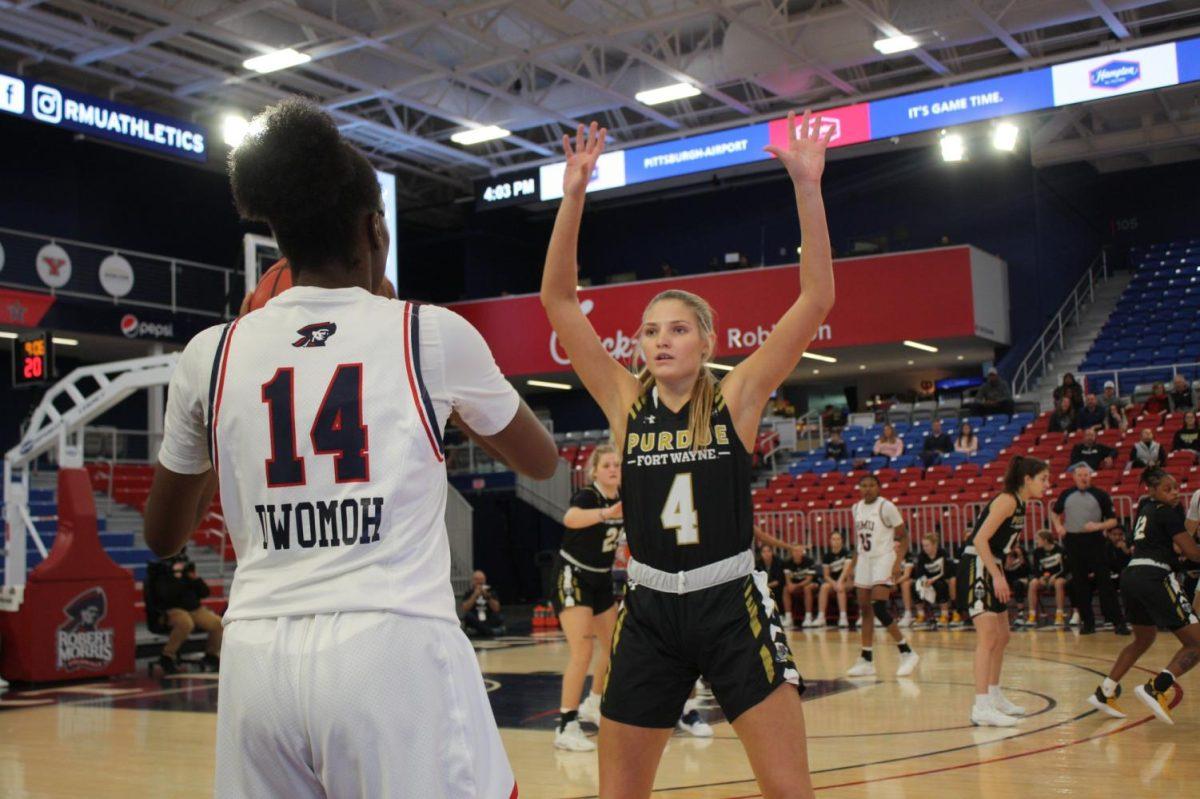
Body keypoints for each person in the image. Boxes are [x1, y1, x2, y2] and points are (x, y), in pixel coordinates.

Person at [142, 99, 558, 798]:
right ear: (374, 228)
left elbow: (162, 533)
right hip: (391, 646)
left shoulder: (210, 354)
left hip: (257, 657)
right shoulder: (427, 332)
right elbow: (541, 459)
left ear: (281, 244)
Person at [540, 112, 834, 798]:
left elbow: (817, 296)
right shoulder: (623, 401)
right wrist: (575, 195)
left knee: (791, 790)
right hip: (648, 610)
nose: (659, 339)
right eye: (648, 331)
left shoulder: (737, 398)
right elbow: (558, 298)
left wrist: (807, 187)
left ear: (706, 339)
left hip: (730, 601)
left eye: (676, 328)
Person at [1086, 468, 1200, 723]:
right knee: (1197, 642)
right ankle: (1156, 687)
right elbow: (1193, 553)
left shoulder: (1145, 510)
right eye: (1167, 489)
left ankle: (1105, 691)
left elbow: (1171, 549)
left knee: (1143, 638)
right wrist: (1187, 556)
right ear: (1153, 490)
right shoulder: (1168, 513)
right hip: (1155, 577)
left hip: (1132, 576)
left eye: (1175, 487)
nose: (1174, 493)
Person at [955, 456, 1050, 727]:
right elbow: (979, 539)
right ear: (1027, 480)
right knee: (987, 637)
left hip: (991, 564)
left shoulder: (1020, 504)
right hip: (977, 565)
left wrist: (1002, 565)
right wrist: (997, 576)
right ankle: (981, 706)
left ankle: (994, 696)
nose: (1047, 484)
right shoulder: (1007, 500)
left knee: (1003, 636)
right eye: (1043, 479)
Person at [552, 444, 623, 751]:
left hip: (602, 578)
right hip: (573, 574)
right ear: (594, 471)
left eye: (617, 465)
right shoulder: (588, 496)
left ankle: (593, 702)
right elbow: (570, 518)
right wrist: (606, 513)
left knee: (613, 646)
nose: (613, 469)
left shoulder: (624, 498)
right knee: (582, 649)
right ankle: (566, 725)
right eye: (607, 465)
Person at [845, 475, 919, 678]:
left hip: (883, 558)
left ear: (878, 487)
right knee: (865, 608)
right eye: (864, 485)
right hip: (864, 560)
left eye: (871, 485)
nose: (867, 489)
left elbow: (903, 537)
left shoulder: (886, 507)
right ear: (859, 488)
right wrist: (851, 568)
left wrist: (897, 564)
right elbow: (858, 541)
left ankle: (907, 652)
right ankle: (866, 660)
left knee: (878, 605)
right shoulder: (856, 508)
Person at [1050, 464, 1130, 635]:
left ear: (1090, 476)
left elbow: (1113, 521)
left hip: (1095, 541)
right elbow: (1055, 513)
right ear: (1074, 477)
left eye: (1086, 475)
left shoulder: (1100, 495)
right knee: (1079, 583)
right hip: (1073, 541)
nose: (1083, 478)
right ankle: (1088, 623)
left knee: (1105, 582)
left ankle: (1118, 622)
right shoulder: (1066, 494)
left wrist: (1098, 525)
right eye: (1080, 475)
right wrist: (1058, 526)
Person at [149, 552, 223, 674]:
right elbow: (165, 596)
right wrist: (176, 576)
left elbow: (205, 592)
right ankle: (167, 656)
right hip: (170, 610)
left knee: (218, 623)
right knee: (185, 622)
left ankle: (211, 654)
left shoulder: (187, 574)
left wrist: (195, 579)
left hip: (194, 609)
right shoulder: (160, 572)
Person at [1027, 531, 1070, 628]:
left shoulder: (1060, 550)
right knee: (1033, 583)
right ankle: (1032, 615)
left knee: (1059, 583)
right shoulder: (1037, 552)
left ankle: (1059, 615)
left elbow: (1066, 568)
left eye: (1038, 539)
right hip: (1045, 578)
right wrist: (1040, 577)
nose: (1036, 541)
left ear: (1045, 540)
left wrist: (1056, 576)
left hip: (1058, 577)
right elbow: (1036, 569)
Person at [912, 533, 955, 627]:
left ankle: (945, 615)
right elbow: (919, 572)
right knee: (914, 586)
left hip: (940, 579)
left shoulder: (942, 553)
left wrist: (933, 579)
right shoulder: (922, 556)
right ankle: (921, 615)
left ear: (934, 544)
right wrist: (924, 581)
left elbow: (947, 572)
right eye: (923, 546)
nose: (925, 548)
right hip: (928, 581)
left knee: (941, 586)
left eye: (927, 545)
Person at [815, 531, 854, 629]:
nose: (836, 541)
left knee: (840, 588)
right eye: (833, 539)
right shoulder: (827, 556)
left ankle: (843, 617)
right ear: (830, 541)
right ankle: (821, 617)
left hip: (847, 580)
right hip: (835, 582)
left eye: (838, 539)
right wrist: (834, 583)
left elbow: (846, 571)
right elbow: (826, 575)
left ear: (842, 541)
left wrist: (839, 583)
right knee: (824, 587)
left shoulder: (847, 553)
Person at [784, 543, 820, 628]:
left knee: (807, 588)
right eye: (795, 551)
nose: (797, 553)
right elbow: (787, 579)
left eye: (799, 551)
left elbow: (809, 579)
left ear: (803, 552)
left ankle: (808, 617)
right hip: (797, 585)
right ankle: (788, 617)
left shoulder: (809, 561)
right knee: (786, 589)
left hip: (812, 584)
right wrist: (790, 585)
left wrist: (795, 586)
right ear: (792, 552)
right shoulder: (787, 562)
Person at [461, 570, 506, 637]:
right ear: (473, 581)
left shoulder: (491, 592)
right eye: (477, 579)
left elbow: (497, 609)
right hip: (476, 620)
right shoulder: (469, 593)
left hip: (488, 619)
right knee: (468, 616)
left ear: (485, 580)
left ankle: (483, 631)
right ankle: (490, 632)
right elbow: (464, 609)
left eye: (481, 579)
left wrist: (487, 597)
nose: (479, 582)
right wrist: (475, 595)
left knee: (499, 616)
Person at [1003, 545, 1031, 620]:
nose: (1014, 550)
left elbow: (1028, 571)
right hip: (1008, 581)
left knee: (1017, 584)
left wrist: (1020, 555)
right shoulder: (1005, 557)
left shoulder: (1023, 557)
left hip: (1021, 580)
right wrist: (1008, 557)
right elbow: (1004, 572)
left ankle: (1020, 612)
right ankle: (1001, 612)